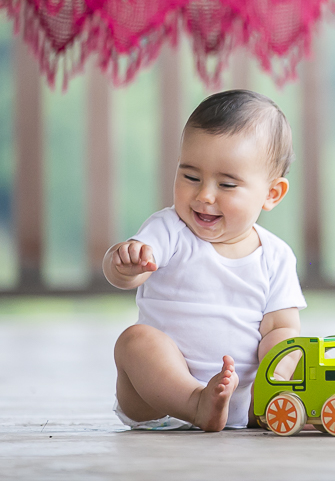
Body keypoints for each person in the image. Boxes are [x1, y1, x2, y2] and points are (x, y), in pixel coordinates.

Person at [105, 89, 305, 431]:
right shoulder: (169, 229)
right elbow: (126, 274)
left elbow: (281, 327)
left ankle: (244, 404)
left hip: (241, 397)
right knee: (134, 341)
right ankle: (194, 400)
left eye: (226, 185)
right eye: (191, 177)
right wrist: (124, 263)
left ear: (271, 194)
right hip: (153, 397)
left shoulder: (276, 256)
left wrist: (279, 370)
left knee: (292, 349)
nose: (204, 195)